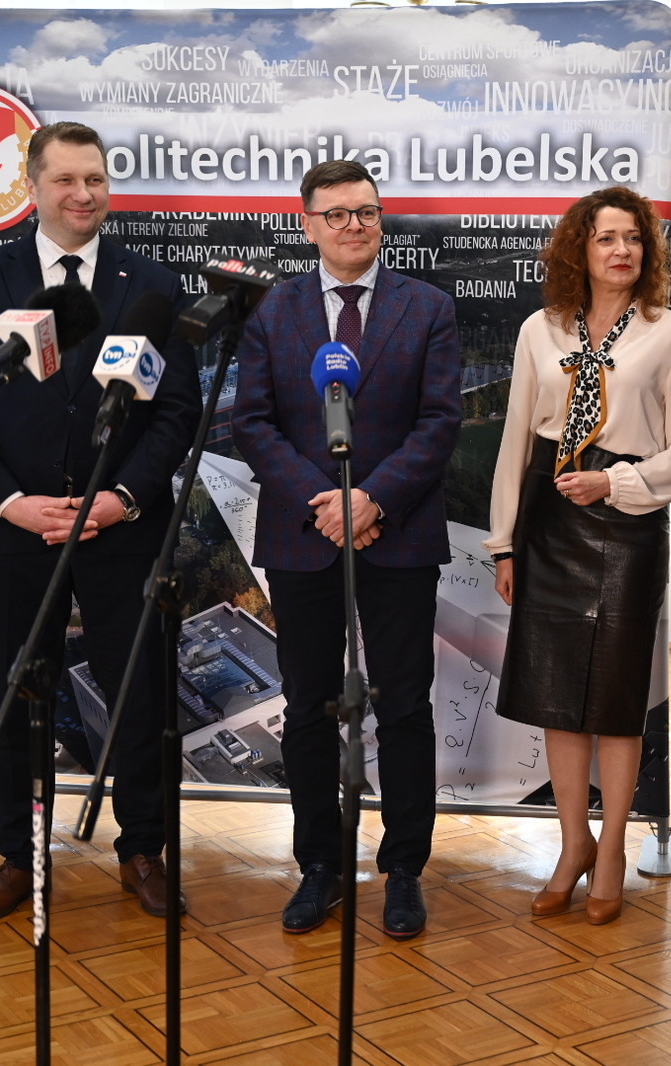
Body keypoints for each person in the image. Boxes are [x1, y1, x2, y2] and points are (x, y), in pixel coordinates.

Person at [0, 121, 201, 923]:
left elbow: (175, 410)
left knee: (140, 697)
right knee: (17, 696)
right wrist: (11, 502)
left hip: (122, 531)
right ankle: (20, 858)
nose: (84, 194)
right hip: (11, 532)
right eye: (66, 180)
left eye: (96, 179)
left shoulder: (150, 284)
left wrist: (124, 497)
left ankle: (143, 849)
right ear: (33, 187)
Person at [231, 159, 460, 938]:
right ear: (308, 226)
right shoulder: (273, 310)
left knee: (405, 706)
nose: (353, 225)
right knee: (306, 708)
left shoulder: (427, 307)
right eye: (336, 214)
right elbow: (252, 422)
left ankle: (403, 871)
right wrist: (324, 501)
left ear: (380, 219)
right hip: (304, 536)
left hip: (399, 533)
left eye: (365, 211)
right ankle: (320, 867)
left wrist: (372, 499)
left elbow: (440, 421)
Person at [484, 186, 671, 924]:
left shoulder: (670, 335)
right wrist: (505, 541)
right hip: (550, 522)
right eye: (606, 237)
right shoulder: (540, 329)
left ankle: (611, 847)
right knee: (556, 694)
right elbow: (517, 440)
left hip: (627, 525)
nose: (622, 250)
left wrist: (615, 482)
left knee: (614, 699)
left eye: (633, 238)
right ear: (579, 249)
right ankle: (571, 841)